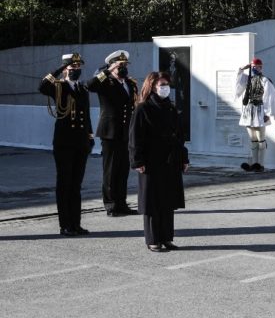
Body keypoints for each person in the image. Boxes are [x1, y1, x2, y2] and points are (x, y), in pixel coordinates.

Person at [129, 71, 188, 252]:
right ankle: (153, 239)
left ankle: (167, 237)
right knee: (153, 202)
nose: (165, 88)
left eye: (166, 84)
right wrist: (137, 161)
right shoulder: (143, 108)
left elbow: (179, 136)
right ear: (152, 86)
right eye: (161, 85)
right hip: (151, 161)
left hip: (170, 160)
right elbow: (135, 138)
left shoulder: (170, 108)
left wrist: (183, 158)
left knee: (167, 201)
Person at [38, 53, 94, 236]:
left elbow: (85, 115)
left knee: (76, 185)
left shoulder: (82, 88)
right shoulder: (58, 87)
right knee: (64, 184)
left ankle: (76, 223)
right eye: (72, 67)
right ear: (65, 70)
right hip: (64, 143)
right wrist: (61, 68)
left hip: (81, 143)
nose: (76, 70)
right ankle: (65, 225)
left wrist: (90, 137)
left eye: (78, 68)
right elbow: (42, 86)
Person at [86, 50, 139, 216]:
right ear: (112, 66)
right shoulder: (105, 82)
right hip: (110, 132)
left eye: (124, 65)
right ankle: (111, 205)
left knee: (123, 170)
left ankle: (122, 203)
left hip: (125, 132)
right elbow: (90, 85)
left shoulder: (130, 84)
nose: (122, 68)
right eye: (119, 65)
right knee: (110, 170)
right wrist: (107, 70)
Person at [233, 57, 275, 172]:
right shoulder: (248, 79)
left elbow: (268, 97)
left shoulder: (265, 80)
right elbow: (238, 81)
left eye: (258, 67)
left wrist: (267, 113)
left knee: (261, 139)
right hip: (248, 110)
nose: (256, 69)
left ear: (261, 68)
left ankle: (261, 164)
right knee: (253, 139)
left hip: (259, 110)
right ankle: (254, 163)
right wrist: (242, 68)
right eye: (254, 67)